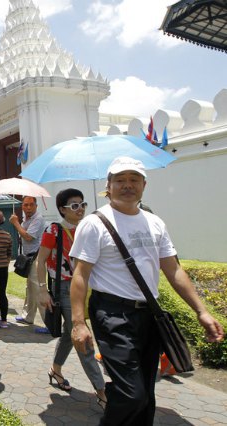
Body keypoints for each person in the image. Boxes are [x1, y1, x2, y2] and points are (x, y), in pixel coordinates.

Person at [70, 157, 224, 425]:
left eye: (133, 180)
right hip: (112, 313)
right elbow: (80, 274)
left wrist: (202, 311)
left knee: (146, 394)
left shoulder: (155, 223)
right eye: (120, 180)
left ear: (144, 184)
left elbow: (173, 270)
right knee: (131, 394)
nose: (127, 185)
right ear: (108, 186)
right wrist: (78, 322)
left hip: (150, 315)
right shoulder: (94, 223)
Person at [35, 188, 106, 407]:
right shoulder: (54, 229)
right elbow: (40, 260)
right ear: (62, 210)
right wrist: (42, 289)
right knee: (81, 335)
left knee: (69, 333)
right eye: (74, 205)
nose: (80, 209)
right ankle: (102, 391)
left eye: (82, 204)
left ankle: (55, 370)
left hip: (89, 286)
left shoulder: (89, 228)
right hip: (65, 287)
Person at [10, 196, 48, 333]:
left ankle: (50, 324)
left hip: (36, 258)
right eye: (25, 205)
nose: (28, 207)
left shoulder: (38, 218)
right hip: (30, 258)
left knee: (38, 290)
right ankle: (28, 316)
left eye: (31, 205)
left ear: (36, 206)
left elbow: (28, 237)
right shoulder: (28, 219)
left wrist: (16, 223)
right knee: (30, 289)